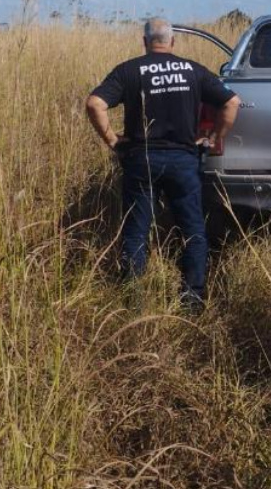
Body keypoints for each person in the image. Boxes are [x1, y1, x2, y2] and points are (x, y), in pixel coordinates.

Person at [86, 18, 240, 313]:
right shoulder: (193, 70)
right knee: (193, 230)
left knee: (136, 231)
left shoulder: (129, 70)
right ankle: (192, 301)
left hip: (141, 160)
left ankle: (134, 303)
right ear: (173, 43)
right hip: (184, 160)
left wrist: (114, 141)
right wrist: (213, 138)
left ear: (145, 42)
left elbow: (95, 103)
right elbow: (232, 102)